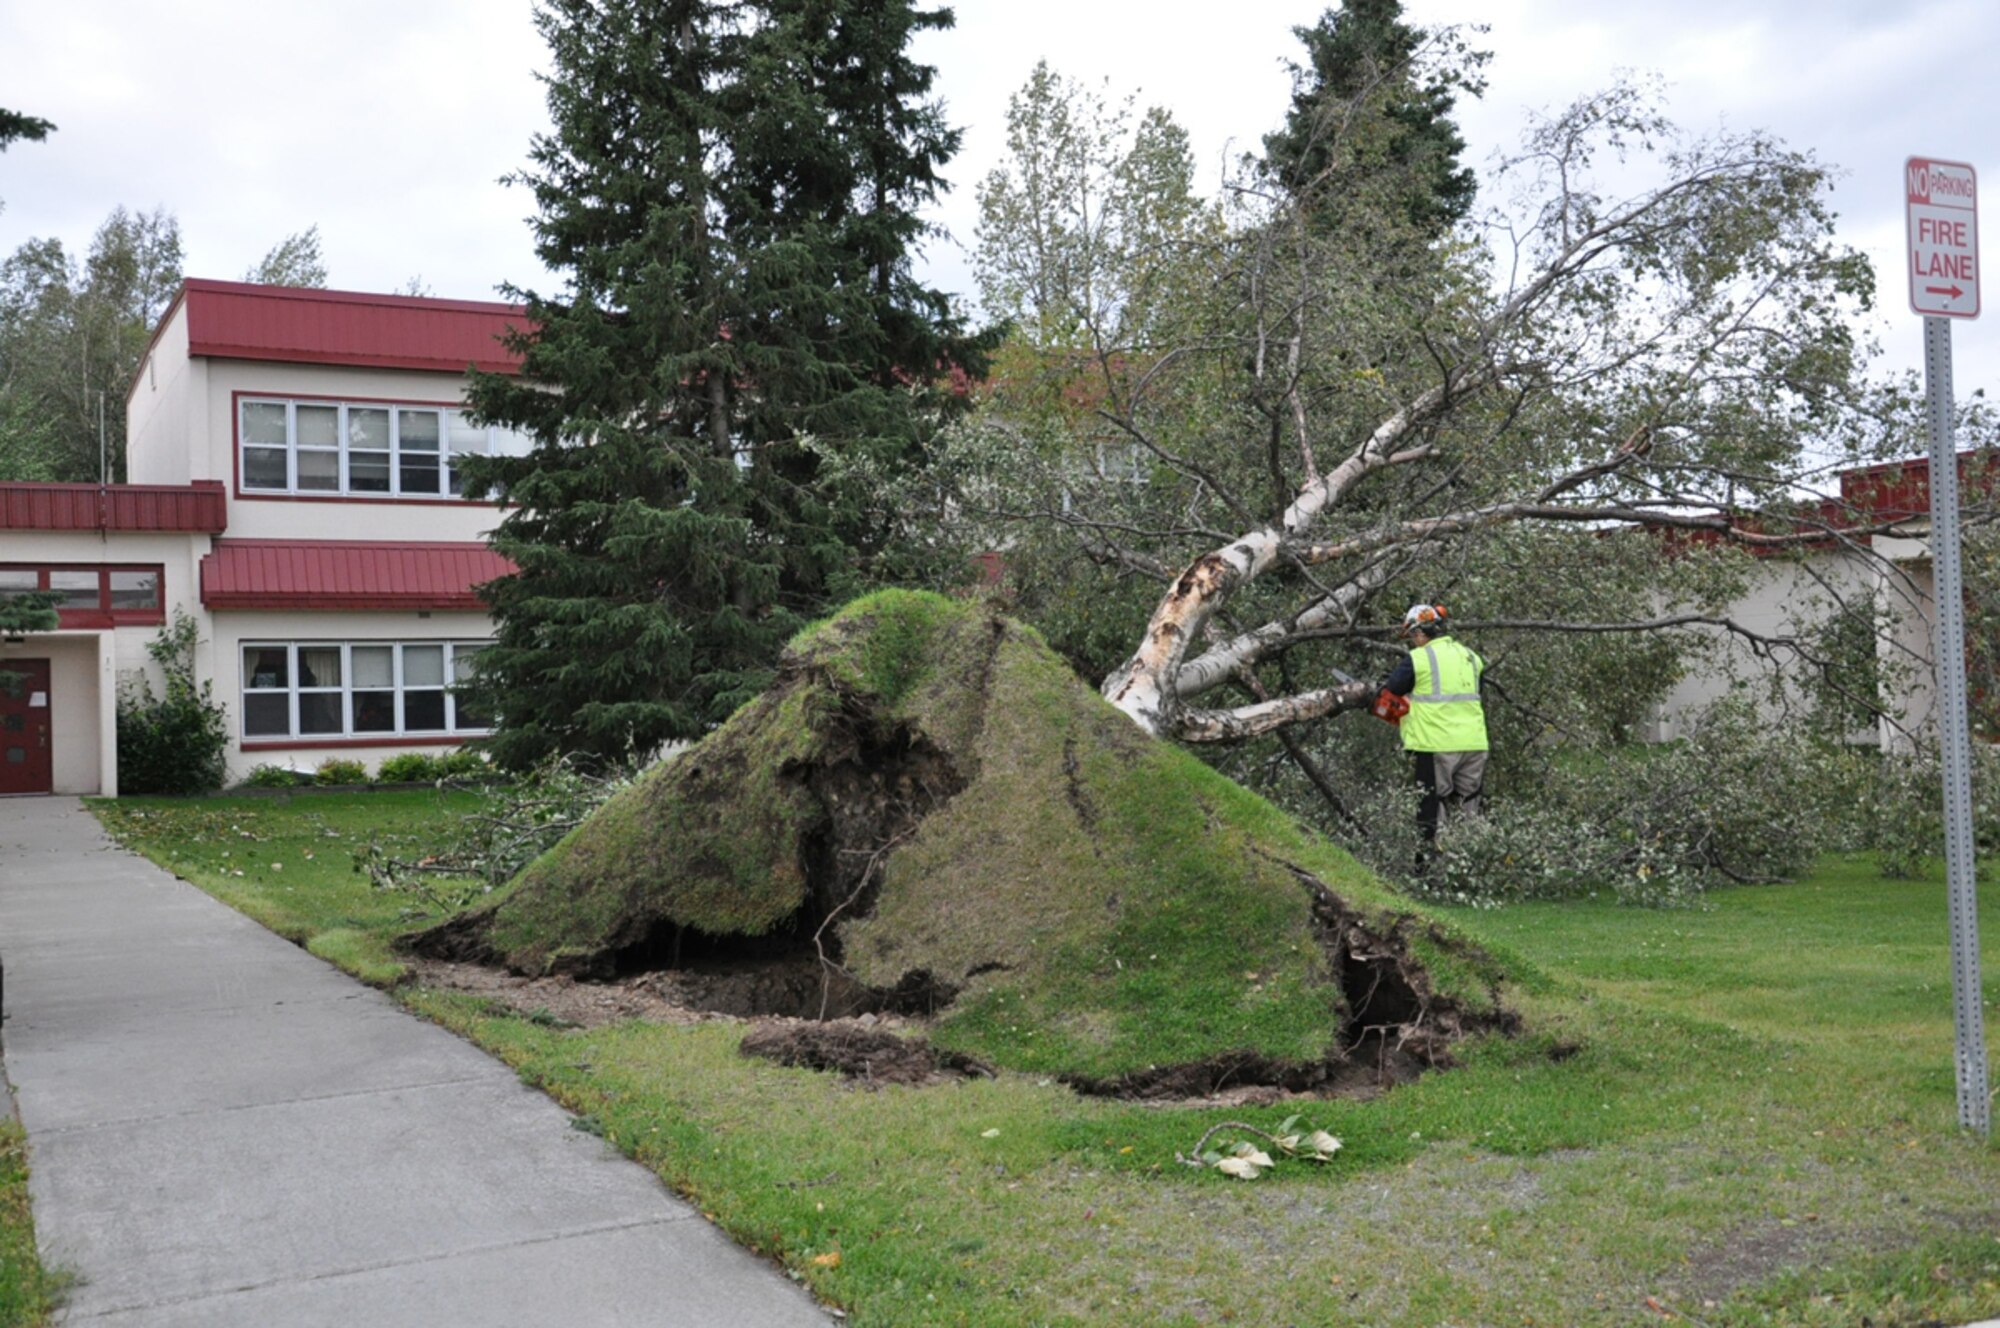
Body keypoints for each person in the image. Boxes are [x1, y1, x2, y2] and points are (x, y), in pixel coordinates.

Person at [1379, 603, 1488, 861]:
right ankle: (1474, 861)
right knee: (1469, 804)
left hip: (1435, 744)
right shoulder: (1471, 657)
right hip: (1474, 743)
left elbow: (1392, 690)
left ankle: (1428, 867)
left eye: (1412, 637)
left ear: (1419, 633)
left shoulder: (1418, 659)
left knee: (1432, 807)